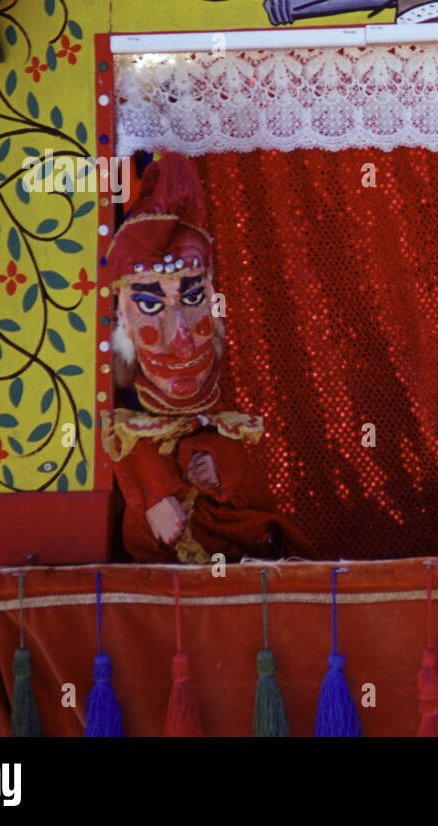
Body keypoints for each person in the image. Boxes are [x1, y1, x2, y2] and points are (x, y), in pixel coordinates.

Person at [101, 153, 314, 562]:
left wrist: (223, 466)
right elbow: (115, 431)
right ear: (123, 318)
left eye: (193, 298)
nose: (181, 336)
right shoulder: (119, 402)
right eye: (151, 305)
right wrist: (154, 492)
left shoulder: (234, 381)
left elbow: (257, 489)